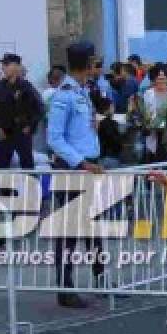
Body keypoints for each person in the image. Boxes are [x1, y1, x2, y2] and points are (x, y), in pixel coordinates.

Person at [47, 41, 105, 307]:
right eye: (95, 61)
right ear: (87, 63)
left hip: (89, 165)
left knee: (95, 227)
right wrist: (81, 162)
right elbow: (55, 139)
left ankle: (101, 278)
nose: (98, 66)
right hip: (74, 168)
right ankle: (64, 286)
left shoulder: (83, 91)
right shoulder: (65, 94)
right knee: (68, 230)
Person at [0, 53, 43, 169]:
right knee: (1, 167)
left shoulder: (26, 87)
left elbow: (39, 108)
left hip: (21, 132)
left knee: (27, 165)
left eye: (7, 64)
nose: (4, 67)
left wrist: (30, 125)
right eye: (3, 65)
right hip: (4, 133)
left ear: (17, 66)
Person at [136, 65, 167, 163]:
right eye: (159, 78)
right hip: (153, 132)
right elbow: (146, 113)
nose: (161, 81)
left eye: (164, 78)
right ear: (154, 79)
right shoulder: (148, 93)